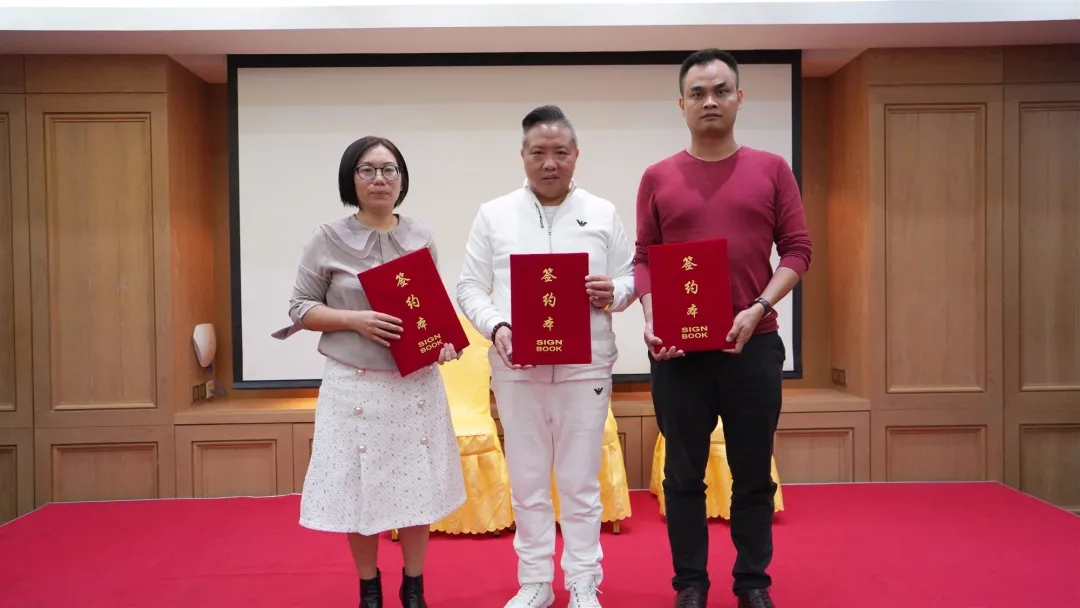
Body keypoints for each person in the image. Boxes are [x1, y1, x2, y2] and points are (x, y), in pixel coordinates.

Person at [633, 50, 813, 608]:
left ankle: (752, 583)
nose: (709, 101)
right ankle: (690, 584)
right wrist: (652, 317)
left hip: (753, 347)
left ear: (739, 97)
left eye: (721, 90)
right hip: (680, 355)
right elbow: (643, 258)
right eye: (698, 92)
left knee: (753, 474)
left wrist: (758, 306)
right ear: (681, 103)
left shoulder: (772, 169)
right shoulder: (658, 176)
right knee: (682, 476)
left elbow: (798, 251)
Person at [273, 136, 467, 608]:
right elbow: (300, 308)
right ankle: (369, 589)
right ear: (351, 178)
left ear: (401, 179)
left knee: (418, 486)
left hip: (414, 384)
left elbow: (429, 311)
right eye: (367, 169)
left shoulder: (421, 236)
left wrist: (442, 344)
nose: (379, 178)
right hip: (352, 386)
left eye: (389, 169)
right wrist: (353, 320)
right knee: (357, 490)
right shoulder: (326, 237)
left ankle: (414, 587)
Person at [457, 105, 635, 608]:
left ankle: (583, 581)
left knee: (580, 483)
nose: (550, 163)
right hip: (518, 370)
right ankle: (535, 580)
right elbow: (469, 286)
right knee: (528, 480)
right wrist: (497, 326)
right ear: (523, 155)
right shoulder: (494, 213)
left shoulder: (602, 212)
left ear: (576, 154)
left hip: (586, 367)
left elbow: (631, 276)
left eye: (560, 152)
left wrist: (615, 292)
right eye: (539, 152)